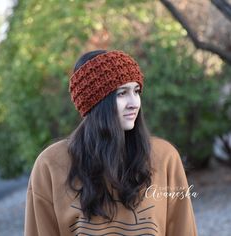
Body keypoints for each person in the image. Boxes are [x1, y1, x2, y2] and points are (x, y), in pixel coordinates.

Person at [24, 50, 198, 236]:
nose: (134, 103)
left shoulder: (164, 157)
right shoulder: (51, 164)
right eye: (122, 93)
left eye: (136, 91)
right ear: (95, 103)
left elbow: (183, 230)